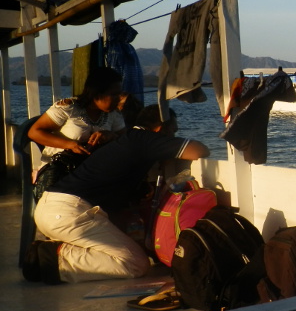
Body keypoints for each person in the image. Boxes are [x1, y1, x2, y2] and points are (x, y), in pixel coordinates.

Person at [25, 105, 210, 284]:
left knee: (128, 250)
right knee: (136, 264)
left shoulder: (126, 142)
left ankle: (53, 251)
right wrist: (170, 149)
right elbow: (200, 150)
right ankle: (49, 259)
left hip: (51, 210)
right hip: (69, 214)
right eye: (173, 131)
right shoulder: (143, 140)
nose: (174, 136)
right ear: (162, 128)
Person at [28, 66, 126, 169]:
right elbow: (34, 132)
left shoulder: (113, 114)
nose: (119, 99)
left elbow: (126, 140)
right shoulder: (69, 108)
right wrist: (70, 145)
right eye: (114, 95)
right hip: (59, 168)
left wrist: (111, 135)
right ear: (97, 93)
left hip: (93, 169)